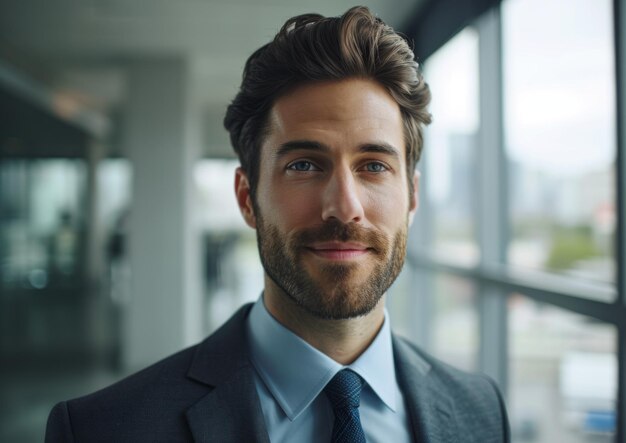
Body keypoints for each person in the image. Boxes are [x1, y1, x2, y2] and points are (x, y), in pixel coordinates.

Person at [45, 6, 509, 442]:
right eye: (305, 165)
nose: (344, 207)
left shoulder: (481, 410)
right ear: (247, 198)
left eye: (373, 166)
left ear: (412, 196)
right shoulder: (99, 429)